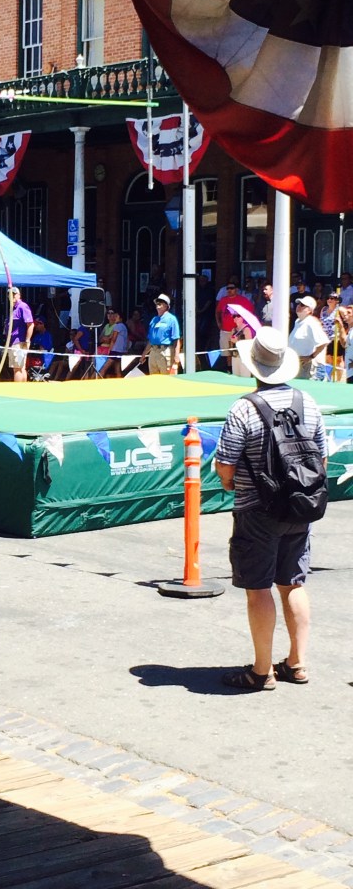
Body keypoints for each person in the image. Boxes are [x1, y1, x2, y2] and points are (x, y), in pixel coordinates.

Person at [215, 327, 327, 690]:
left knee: (258, 587)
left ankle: (262, 671)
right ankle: (297, 663)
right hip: (300, 507)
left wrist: (231, 484)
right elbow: (321, 460)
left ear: (254, 366)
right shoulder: (307, 403)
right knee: (293, 583)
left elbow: (225, 466)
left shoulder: (244, 408)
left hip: (257, 510)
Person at [139, 294, 181, 374]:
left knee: (167, 377)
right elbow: (150, 340)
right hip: (153, 352)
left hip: (166, 351)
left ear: (166, 306)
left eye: (160, 302)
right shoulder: (154, 320)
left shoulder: (172, 319)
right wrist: (143, 355)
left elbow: (176, 339)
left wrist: (176, 355)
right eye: (157, 302)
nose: (158, 304)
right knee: (154, 377)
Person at [288, 296, 328, 380]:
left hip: (308, 367)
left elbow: (324, 342)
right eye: (299, 304)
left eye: (302, 305)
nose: (299, 306)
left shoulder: (311, 322)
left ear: (309, 310)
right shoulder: (298, 322)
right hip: (297, 365)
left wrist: (311, 357)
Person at [216, 283, 254, 368]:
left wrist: (243, 326)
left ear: (236, 290)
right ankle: (229, 369)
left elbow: (250, 313)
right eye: (228, 288)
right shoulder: (223, 300)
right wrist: (219, 323)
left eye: (231, 288)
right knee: (226, 353)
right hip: (225, 330)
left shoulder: (243, 300)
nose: (229, 290)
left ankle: (236, 369)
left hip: (237, 331)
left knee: (236, 352)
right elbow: (217, 312)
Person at [5, 286, 34, 382]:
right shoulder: (13, 308)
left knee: (17, 368)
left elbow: (30, 324)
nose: (12, 296)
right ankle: (23, 388)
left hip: (19, 341)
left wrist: (27, 340)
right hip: (14, 341)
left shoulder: (22, 306)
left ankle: (17, 389)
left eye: (14, 294)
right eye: (10, 294)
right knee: (21, 367)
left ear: (19, 295)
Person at [100, 307, 128, 377]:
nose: (115, 318)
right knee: (117, 370)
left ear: (121, 318)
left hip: (115, 351)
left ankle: (98, 382)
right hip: (121, 350)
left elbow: (113, 339)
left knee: (103, 369)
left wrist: (110, 350)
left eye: (116, 316)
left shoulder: (117, 326)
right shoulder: (124, 326)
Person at [229, 312, 255, 377]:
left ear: (242, 317)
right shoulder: (233, 330)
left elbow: (248, 344)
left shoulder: (246, 329)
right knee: (235, 377)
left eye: (238, 316)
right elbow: (231, 344)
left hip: (244, 357)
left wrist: (237, 341)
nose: (236, 318)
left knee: (245, 377)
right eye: (234, 316)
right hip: (235, 356)